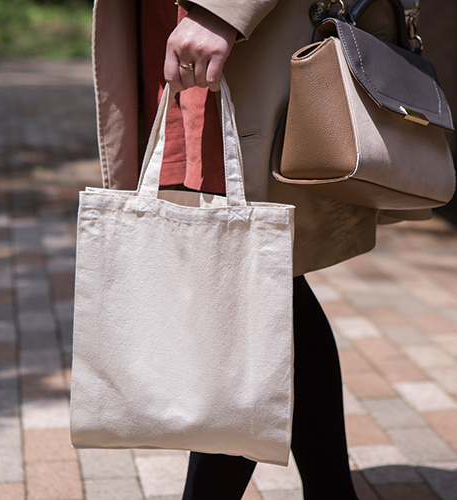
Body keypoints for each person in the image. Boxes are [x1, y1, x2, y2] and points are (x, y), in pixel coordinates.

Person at [91, 0, 428, 498]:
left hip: (236, 34)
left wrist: (224, 11)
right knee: (262, 280)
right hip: (178, 28)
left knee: (247, 279)